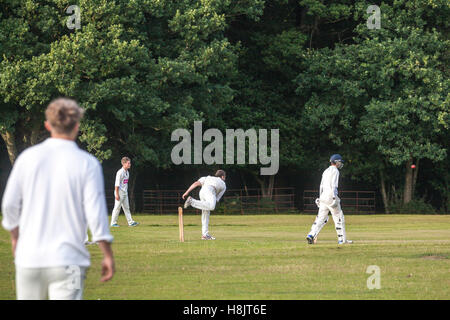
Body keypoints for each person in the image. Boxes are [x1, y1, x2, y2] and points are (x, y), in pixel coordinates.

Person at [1, 98, 115, 300]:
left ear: (47, 125)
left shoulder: (27, 158)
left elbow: (10, 204)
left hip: (29, 258)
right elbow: (95, 213)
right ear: (77, 126)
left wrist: (15, 237)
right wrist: (107, 253)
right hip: (70, 261)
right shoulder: (87, 163)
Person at [306, 154, 352, 245]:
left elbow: (321, 185)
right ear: (336, 162)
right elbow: (334, 185)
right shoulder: (335, 171)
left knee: (321, 218)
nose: (340, 163)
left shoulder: (326, 171)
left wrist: (319, 197)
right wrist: (334, 197)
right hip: (331, 197)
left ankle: (311, 235)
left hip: (323, 197)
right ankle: (342, 240)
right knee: (339, 217)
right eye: (340, 162)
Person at [182, 170, 226, 240]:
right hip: (211, 191)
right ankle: (192, 201)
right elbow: (216, 199)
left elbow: (196, 183)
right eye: (224, 177)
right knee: (211, 206)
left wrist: (186, 192)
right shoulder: (223, 184)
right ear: (223, 177)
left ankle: (205, 235)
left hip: (202, 191)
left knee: (205, 213)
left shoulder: (207, 177)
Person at [110, 157, 139, 227]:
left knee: (127, 208)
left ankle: (131, 222)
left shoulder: (127, 172)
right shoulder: (120, 172)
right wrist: (117, 194)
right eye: (128, 163)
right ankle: (113, 223)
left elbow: (125, 183)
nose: (130, 164)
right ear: (124, 163)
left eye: (130, 163)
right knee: (117, 208)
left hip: (124, 192)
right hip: (119, 192)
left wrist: (125, 192)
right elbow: (116, 185)